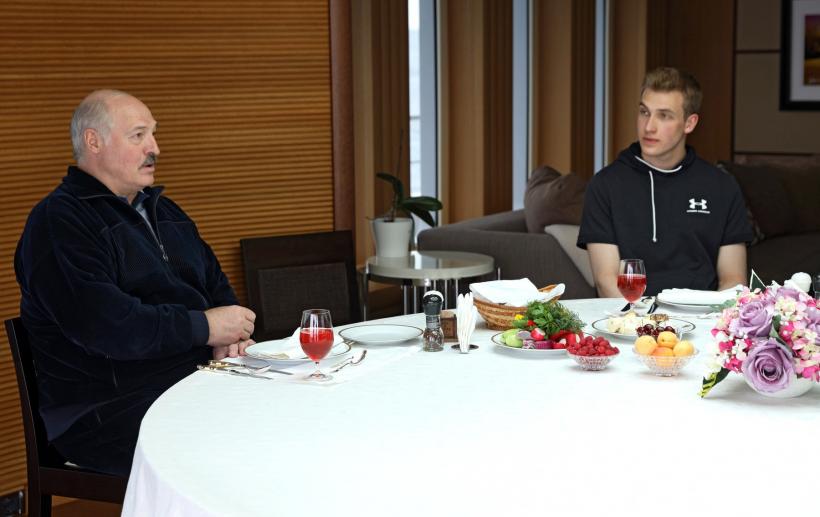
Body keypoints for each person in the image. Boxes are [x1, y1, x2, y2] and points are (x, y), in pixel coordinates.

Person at [14, 90, 256, 476]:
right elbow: (105, 326)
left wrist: (231, 337)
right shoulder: (58, 222)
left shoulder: (166, 211)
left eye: (153, 134)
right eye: (139, 135)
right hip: (102, 411)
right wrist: (206, 327)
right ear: (93, 141)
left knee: (290, 411)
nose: (155, 148)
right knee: (241, 446)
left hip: (188, 382)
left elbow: (216, 287)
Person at [577, 67, 753, 297]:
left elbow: (733, 280)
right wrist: (647, 320)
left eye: (664, 116)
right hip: (632, 315)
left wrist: (712, 317)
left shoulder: (722, 187)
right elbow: (606, 282)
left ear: (689, 123)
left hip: (704, 315)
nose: (649, 127)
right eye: (644, 112)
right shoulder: (605, 185)